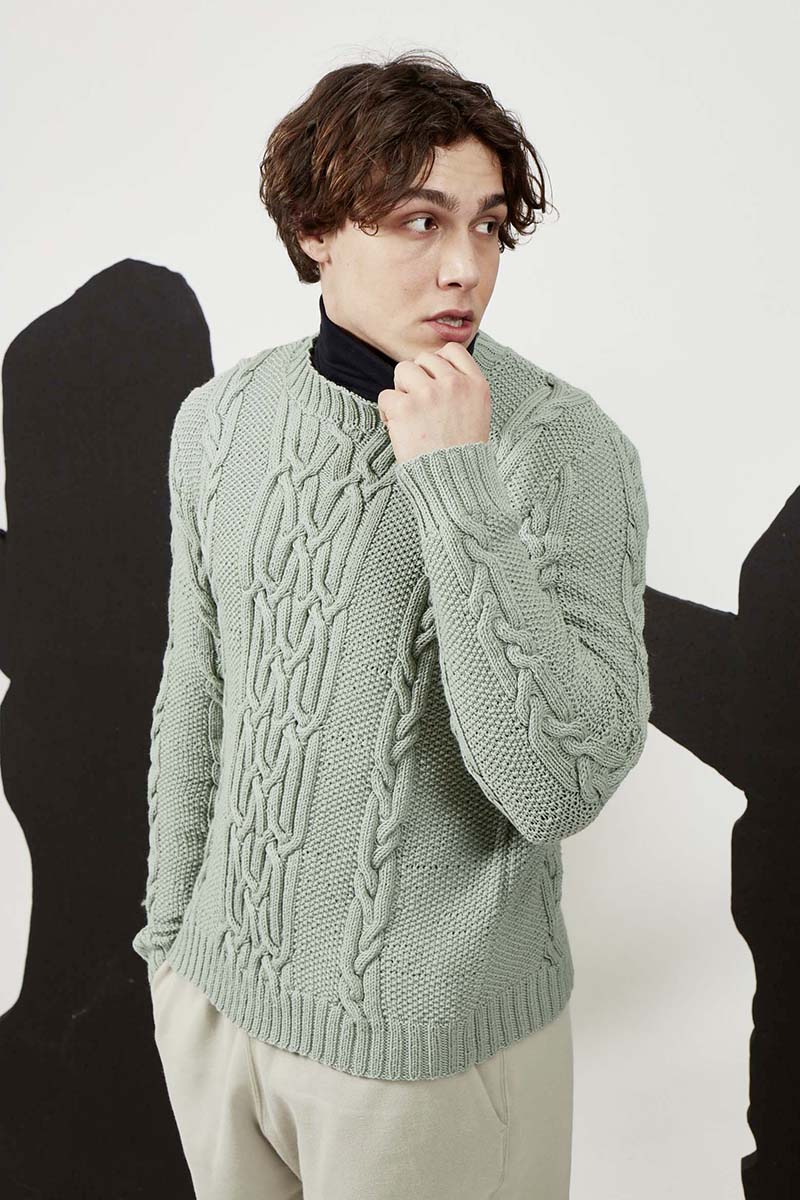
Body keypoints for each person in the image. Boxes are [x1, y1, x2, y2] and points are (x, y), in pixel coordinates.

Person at [133, 48, 651, 1200]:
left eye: (488, 226)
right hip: (220, 1012)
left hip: (428, 1058)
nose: (464, 266)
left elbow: (557, 784)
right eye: (420, 221)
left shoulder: (561, 447)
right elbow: (198, 687)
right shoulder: (221, 419)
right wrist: (171, 947)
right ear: (316, 228)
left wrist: (452, 483)